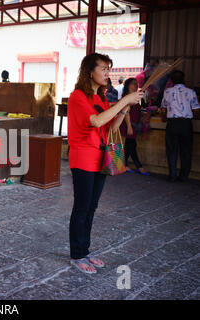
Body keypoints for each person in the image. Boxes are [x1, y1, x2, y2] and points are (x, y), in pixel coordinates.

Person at [67, 53, 143, 274]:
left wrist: (125, 109)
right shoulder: (77, 96)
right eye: (103, 68)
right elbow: (96, 121)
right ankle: (77, 254)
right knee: (81, 207)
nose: (107, 73)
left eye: (109, 69)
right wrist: (124, 100)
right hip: (82, 157)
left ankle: (85, 250)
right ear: (89, 71)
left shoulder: (100, 98)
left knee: (91, 207)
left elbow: (109, 127)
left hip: (100, 158)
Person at [161, 70, 200, 182]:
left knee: (171, 150)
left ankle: (172, 175)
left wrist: (165, 117)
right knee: (186, 151)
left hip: (172, 124)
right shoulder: (191, 92)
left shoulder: (167, 91)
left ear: (172, 80)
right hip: (186, 124)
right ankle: (183, 176)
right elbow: (196, 110)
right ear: (184, 79)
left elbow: (163, 108)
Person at [119, 78, 149, 175]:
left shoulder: (135, 97)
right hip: (128, 124)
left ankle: (125, 165)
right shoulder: (126, 97)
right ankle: (138, 166)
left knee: (130, 144)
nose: (136, 85)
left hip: (134, 125)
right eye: (133, 83)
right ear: (127, 85)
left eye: (137, 84)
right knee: (131, 144)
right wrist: (129, 126)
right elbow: (125, 112)